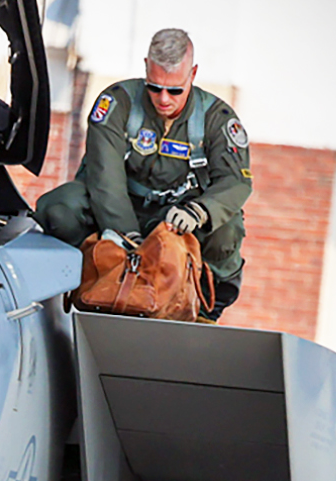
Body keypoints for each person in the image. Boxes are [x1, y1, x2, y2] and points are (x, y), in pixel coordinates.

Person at [34, 28, 253, 321]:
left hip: (178, 218)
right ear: (146, 67)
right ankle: (72, 284)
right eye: (154, 87)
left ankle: (203, 308)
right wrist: (129, 240)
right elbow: (104, 178)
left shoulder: (216, 119)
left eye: (175, 90)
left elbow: (235, 182)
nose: (163, 99)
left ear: (193, 73)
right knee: (62, 205)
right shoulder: (116, 104)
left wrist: (199, 211)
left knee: (227, 226)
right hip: (118, 210)